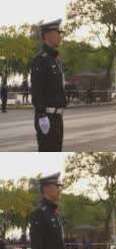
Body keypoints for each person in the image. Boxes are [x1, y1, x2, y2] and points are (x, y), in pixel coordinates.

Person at [31, 19, 67, 151]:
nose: (59, 36)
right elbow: (37, 89)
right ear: (47, 36)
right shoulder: (41, 59)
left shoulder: (55, 60)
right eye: (57, 32)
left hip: (57, 117)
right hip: (47, 117)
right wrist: (41, 114)